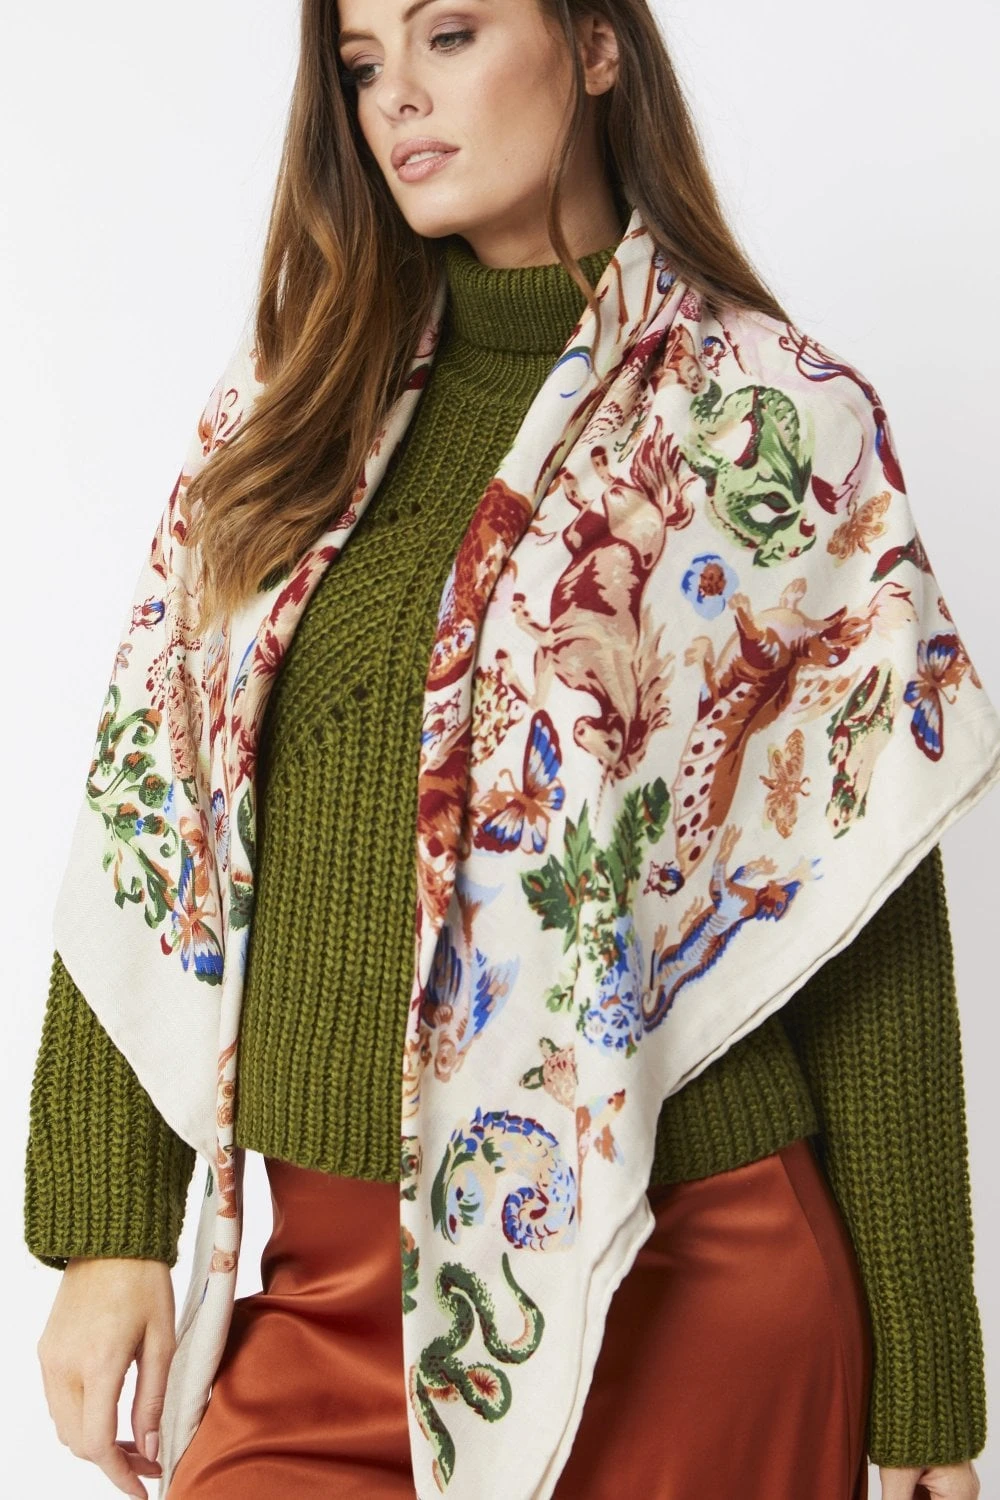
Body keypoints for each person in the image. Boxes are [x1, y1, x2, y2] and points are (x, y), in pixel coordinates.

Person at [25, 1, 989, 1498]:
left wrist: (930, 1375)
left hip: (690, 1282)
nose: (397, 97)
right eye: (363, 64)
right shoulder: (291, 405)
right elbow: (157, 807)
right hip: (329, 1295)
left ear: (597, 47)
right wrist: (106, 1229)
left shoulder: (768, 425)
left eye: (452, 34)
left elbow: (860, 903)